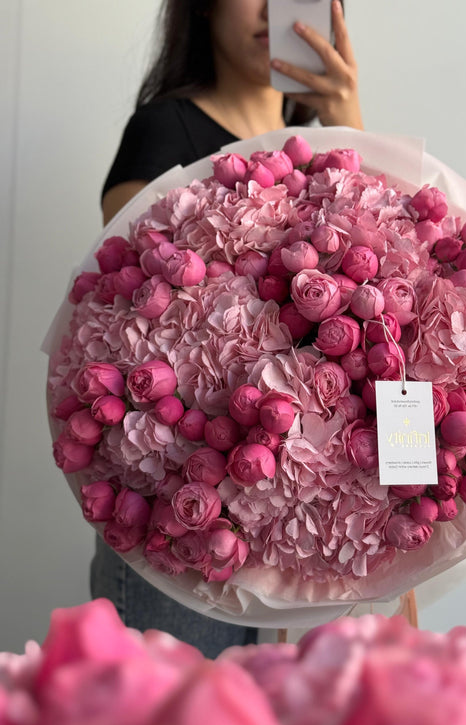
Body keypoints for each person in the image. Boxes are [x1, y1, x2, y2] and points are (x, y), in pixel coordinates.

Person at [92, 0, 363, 657]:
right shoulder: (164, 132)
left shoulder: (330, 148)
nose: (275, 7)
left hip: (310, 528)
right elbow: (123, 318)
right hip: (184, 521)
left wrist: (348, 129)